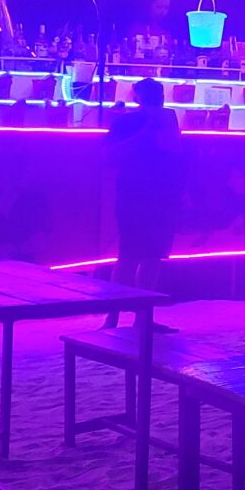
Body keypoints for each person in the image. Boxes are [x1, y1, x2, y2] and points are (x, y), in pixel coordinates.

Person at [104, 77, 182, 327]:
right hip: (137, 192)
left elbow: (174, 152)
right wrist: (146, 130)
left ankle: (141, 317)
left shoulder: (166, 120)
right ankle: (115, 316)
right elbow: (111, 153)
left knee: (151, 256)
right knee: (129, 255)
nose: (157, 101)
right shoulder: (127, 122)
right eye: (154, 96)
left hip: (156, 193)